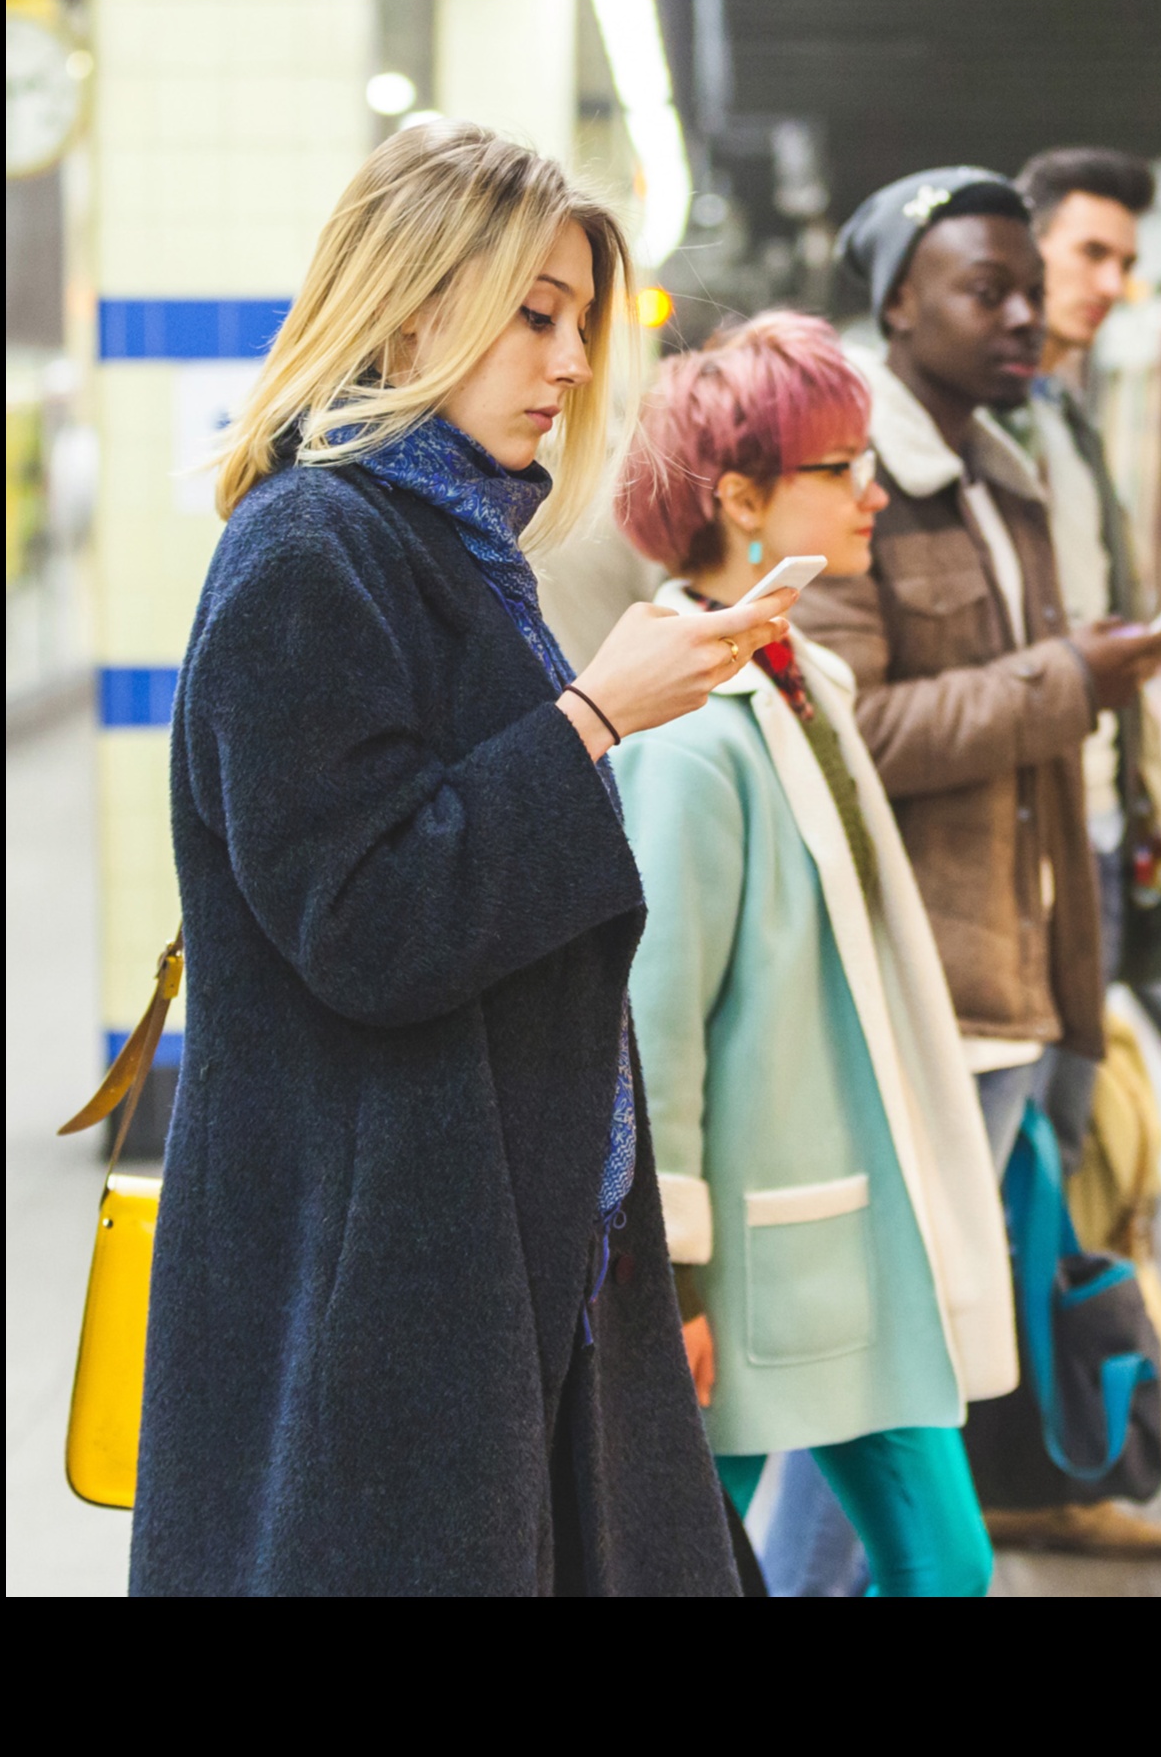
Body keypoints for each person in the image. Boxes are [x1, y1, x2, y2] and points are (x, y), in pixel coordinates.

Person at [136, 120, 794, 1595]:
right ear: (412, 309)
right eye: (533, 314)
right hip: (382, 1292)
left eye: (580, 321)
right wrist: (594, 716)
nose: (572, 363)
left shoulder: (448, 545)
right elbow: (367, 921)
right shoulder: (308, 552)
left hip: (489, 1255)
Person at [799, 166, 1161, 1558]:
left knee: (916, 1367)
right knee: (882, 1373)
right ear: (900, 303)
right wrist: (1066, 680)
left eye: (1031, 290)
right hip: (925, 997)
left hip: (1009, 984)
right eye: (988, 291)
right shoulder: (856, 484)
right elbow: (850, 727)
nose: (1025, 317)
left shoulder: (1002, 477)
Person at [611, 311, 1018, 1597]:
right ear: (740, 500)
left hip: (843, 1237)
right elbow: (656, 1022)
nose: (872, 492)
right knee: (694, 1562)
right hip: (750, 1264)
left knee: (940, 1561)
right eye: (840, 468)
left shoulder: (797, 676)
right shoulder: (690, 738)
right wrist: (672, 1277)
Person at [1012, 147, 1161, 1004]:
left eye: (1125, 262)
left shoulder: (1066, 419)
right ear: (1025, 248)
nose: (1114, 284)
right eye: (1091, 253)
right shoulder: (980, 426)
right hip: (1033, 832)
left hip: (1100, 813)